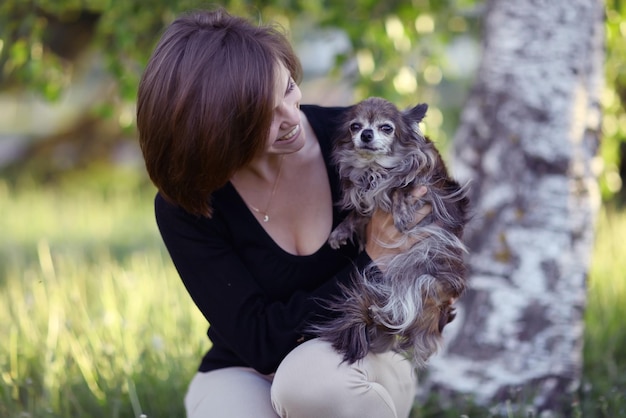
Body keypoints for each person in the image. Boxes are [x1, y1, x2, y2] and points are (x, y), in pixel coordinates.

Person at [137, 8, 430, 418]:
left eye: (289, 88)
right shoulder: (186, 204)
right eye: (263, 115)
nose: (292, 117)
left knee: (309, 384)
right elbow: (259, 343)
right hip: (242, 369)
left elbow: (434, 245)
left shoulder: (360, 142)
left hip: (362, 354)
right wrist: (371, 262)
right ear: (214, 131)